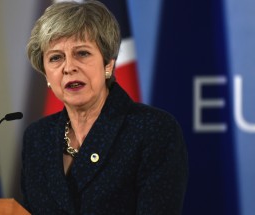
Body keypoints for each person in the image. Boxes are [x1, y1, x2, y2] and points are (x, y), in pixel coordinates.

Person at [21, 1, 188, 214]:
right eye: (56, 58)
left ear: (108, 64)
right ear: (46, 74)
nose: (69, 67)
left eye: (82, 53)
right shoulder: (37, 138)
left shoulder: (152, 130)